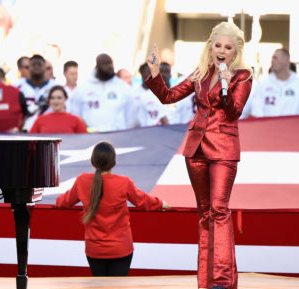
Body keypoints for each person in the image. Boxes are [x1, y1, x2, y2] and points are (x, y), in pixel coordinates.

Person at [146, 22, 253, 289]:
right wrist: (155, 73)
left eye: (228, 47)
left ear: (235, 52)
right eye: (218, 45)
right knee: (205, 213)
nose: (222, 50)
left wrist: (227, 86)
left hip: (224, 150)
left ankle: (223, 281)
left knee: (219, 210)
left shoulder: (242, 76)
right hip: (196, 148)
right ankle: (205, 281)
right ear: (210, 47)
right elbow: (169, 97)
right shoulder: (200, 73)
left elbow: (234, 111)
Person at [55, 141, 168, 276]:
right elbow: (143, 201)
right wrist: (162, 204)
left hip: (94, 250)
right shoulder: (124, 182)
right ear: (114, 161)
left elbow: (62, 202)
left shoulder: (82, 181)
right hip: (120, 249)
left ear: (93, 161)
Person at [70, 53, 135, 132]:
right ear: (97, 67)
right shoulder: (82, 89)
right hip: (89, 136)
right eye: (105, 64)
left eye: (110, 63)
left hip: (117, 136)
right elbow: (76, 115)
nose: (110, 67)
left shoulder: (124, 88)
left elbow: (131, 117)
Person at [249, 49, 299, 117]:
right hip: (267, 127)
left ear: (286, 61)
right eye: (272, 58)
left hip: (294, 126)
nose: (272, 61)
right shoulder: (262, 86)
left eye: (275, 58)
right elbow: (257, 111)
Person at [17, 54, 58, 132]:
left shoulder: (55, 86)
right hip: (26, 131)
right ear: (29, 67)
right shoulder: (18, 86)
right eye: (33, 64)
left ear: (45, 67)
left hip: (49, 130)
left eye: (39, 64)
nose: (36, 67)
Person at [132, 63, 169, 127]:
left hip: (154, 132)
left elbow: (163, 118)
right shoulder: (133, 93)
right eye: (148, 72)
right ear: (142, 74)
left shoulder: (158, 93)